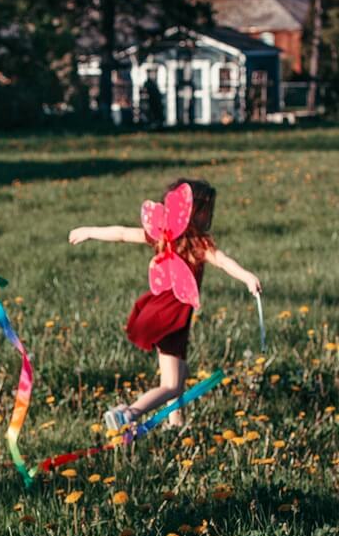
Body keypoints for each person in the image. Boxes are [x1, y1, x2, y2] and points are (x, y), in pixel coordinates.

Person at [68, 178, 260, 432]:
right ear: (195, 213)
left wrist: (89, 231)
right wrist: (247, 277)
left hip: (165, 314)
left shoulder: (165, 238)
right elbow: (224, 262)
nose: (210, 216)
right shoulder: (198, 246)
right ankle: (127, 414)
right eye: (207, 211)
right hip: (170, 319)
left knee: (179, 375)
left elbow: (124, 234)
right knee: (171, 385)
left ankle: (175, 424)